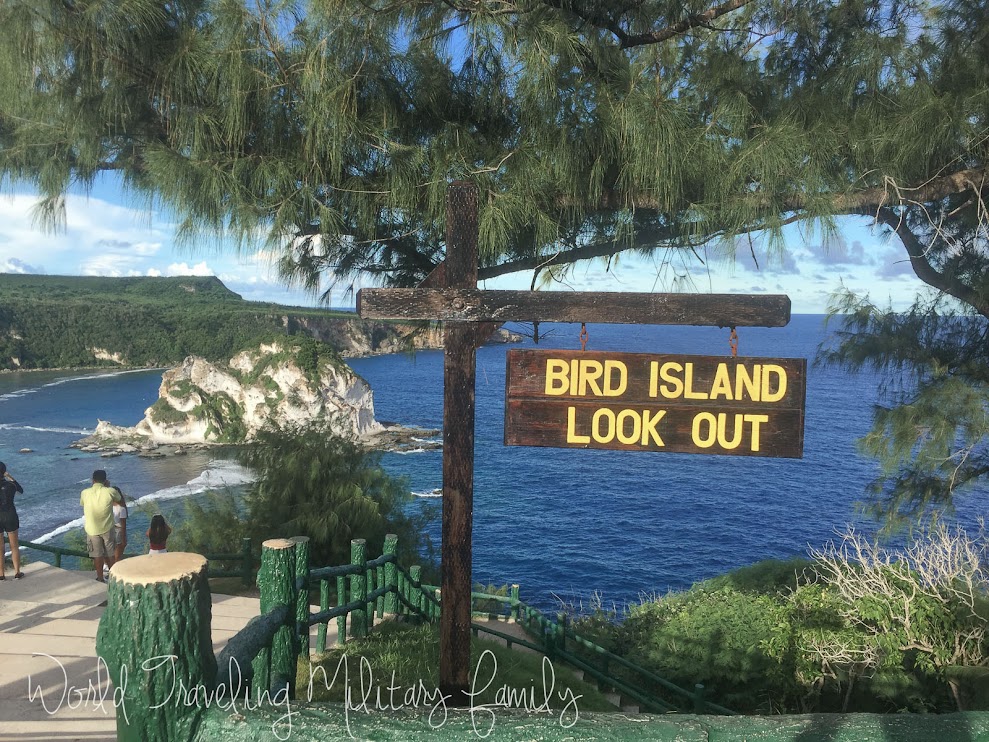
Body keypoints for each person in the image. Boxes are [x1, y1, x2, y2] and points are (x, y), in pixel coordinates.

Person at [80, 469, 122, 582]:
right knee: (110, 554)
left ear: (93, 480)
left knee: (97, 555)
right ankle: (113, 578)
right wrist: (107, 487)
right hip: (107, 528)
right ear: (105, 480)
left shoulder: (84, 493)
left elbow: (82, 503)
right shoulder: (110, 491)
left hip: (92, 529)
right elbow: (119, 499)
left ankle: (100, 578)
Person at [0, 462, 24, 580]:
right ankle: (17, 572)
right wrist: (10, 476)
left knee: (0, 548)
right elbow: (20, 490)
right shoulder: (11, 485)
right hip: (10, 515)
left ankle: (1, 574)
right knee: (14, 546)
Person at [110, 481, 128, 564]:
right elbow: (123, 525)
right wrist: (124, 539)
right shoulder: (121, 508)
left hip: (112, 530)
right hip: (116, 530)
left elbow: (123, 525)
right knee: (117, 556)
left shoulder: (110, 507)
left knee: (114, 555)